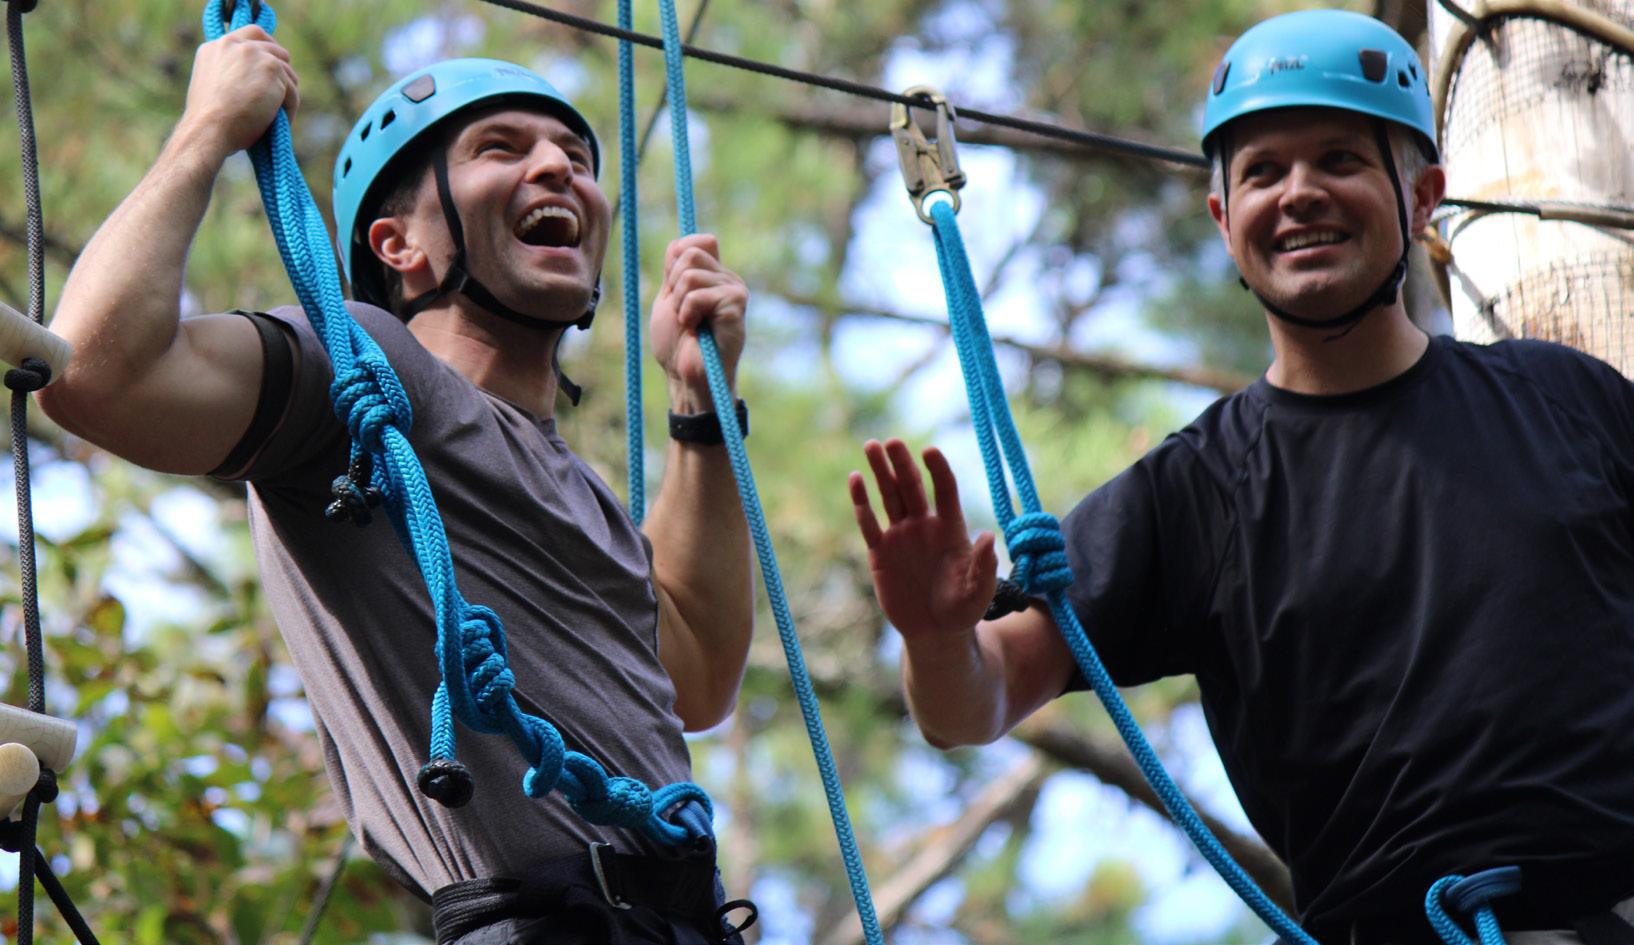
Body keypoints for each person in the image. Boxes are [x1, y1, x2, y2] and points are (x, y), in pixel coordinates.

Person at [849, 10, 1634, 945]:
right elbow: (973, 701)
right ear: (1224, 220)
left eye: (1340, 160)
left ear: (1423, 197)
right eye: (1263, 172)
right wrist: (937, 637)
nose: (1300, 194)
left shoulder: (1563, 399)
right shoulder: (1197, 493)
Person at [39, 24, 755, 945]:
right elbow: (95, 375)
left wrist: (698, 404)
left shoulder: (583, 489)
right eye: (501, 148)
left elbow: (696, 678)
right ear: (400, 243)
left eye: (576, 159)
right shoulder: (372, 372)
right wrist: (208, 129)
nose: (558, 170)